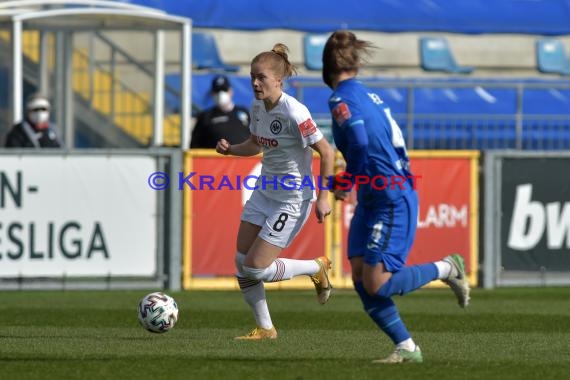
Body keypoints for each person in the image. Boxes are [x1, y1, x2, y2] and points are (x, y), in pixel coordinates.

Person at [322, 30, 470, 363]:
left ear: (325, 68)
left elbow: (359, 144)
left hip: (389, 196)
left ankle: (447, 268)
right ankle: (406, 347)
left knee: (376, 282)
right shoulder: (369, 96)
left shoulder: (340, 99)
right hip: (376, 195)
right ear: (356, 64)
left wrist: (347, 180)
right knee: (360, 274)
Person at [216, 43, 336, 340]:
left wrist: (323, 196)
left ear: (278, 81)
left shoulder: (295, 112)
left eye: (261, 78)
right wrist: (232, 150)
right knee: (241, 263)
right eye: (252, 78)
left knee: (256, 268)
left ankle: (316, 267)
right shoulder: (257, 107)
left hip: (292, 199)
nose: (255, 83)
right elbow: (255, 144)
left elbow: (327, 152)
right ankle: (265, 328)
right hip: (264, 192)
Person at [190, 75, 251, 149]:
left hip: (243, 159)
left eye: (224, 90)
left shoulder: (244, 112)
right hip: (214, 159)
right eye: (217, 91)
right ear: (212, 93)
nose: (220, 94)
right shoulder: (205, 116)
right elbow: (195, 145)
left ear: (230, 91)